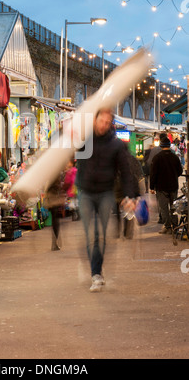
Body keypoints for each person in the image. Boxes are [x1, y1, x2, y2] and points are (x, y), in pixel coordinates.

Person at [75, 108, 136, 292]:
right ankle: (96, 274)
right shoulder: (84, 139)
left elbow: (126, 172)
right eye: (101, 121)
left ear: (110, 123)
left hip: (105, 193)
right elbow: (65, 150)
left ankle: (97, 272)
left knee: (99, 235)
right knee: (91, 234)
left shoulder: (116, 145)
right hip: (85, 192)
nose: (103, 125)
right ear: (95, 120)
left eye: (107, 122)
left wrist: (129, 196)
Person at [150, 134, 183, 234]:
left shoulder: (156, 158)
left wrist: (152, 187)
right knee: (174, 207)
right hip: (173, 186)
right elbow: (180, 171)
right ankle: (175, 227)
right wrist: (173, 176)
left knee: (164, 208)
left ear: (160, 146)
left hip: (161, 187)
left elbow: (153, 174)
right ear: (169, 145)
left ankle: (168, 226)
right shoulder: (175, 157)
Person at [114, 143, 143, 239]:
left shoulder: (115, 160)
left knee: (117, 211)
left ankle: (117, 230)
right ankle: (127, 232)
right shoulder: (133, 160)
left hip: (117, 189)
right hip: (130, 188)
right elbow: (138, 175)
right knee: (128, 210)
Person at [44, 172, 67, 251]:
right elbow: (51, 186)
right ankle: (55, 243)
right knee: (55, 220)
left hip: (52, 199)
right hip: (53, 199)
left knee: (55, 220)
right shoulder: (54, 174)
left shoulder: (52, 173)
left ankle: (55, 242)